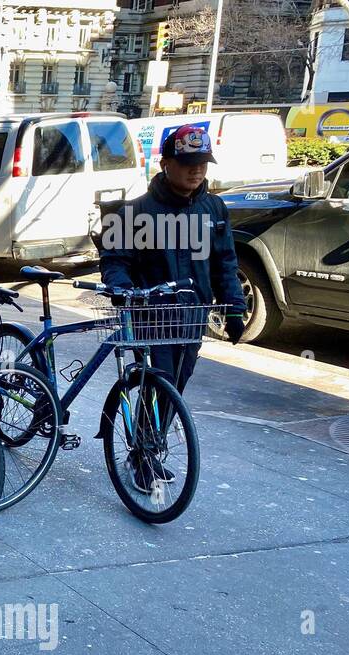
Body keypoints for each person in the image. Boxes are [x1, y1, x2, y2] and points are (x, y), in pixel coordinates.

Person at [101, 124, 247, 491]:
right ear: (166, 164)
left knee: (177, 386)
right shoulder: (137, 211)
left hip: (192, 317)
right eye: (187, 163)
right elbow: (115, 260)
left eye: (202, 163)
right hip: (151, 316)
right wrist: (122, 290)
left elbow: (225, 262)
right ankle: (142, 457)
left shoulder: (213, 209)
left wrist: (234, 310)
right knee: (158, 383)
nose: (196, 170)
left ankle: (151, 447)